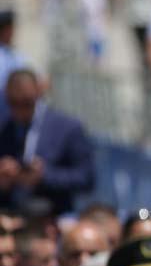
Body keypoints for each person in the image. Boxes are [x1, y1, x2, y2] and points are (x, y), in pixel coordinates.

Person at [0, 70, 95, 215]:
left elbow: (86, 177)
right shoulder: (4, 128)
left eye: (26, 102)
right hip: (11, 215)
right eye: (13, 103)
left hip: (53, 214)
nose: (19, 110)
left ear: (38, 93)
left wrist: (45, 176)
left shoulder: (67, 127)